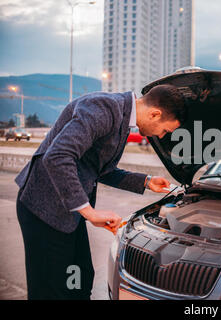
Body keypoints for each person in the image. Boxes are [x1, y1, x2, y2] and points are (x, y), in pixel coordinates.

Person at [15, 84, 186, 300]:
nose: (161, 136)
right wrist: (90, 212)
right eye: (165, 130)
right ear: (155, 114)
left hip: (68, 212)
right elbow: (58, 156)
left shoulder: (122, 117)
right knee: (52, 289)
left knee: (80, 279)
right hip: (44, 207)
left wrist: (146, 181)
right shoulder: (103, 108)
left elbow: (98, 170)